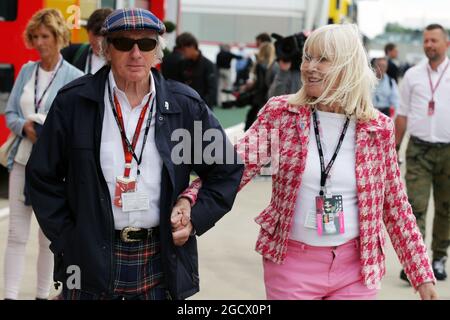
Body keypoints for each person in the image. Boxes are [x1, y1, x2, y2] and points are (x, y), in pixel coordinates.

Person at [178, 24, 438, 300]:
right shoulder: (282, 113)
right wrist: (189, 203)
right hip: (291, 265)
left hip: (356, 270)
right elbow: (233, 168)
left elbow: (395, 205)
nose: (310, 67)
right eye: (307, 57)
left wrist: (422, 276)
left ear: (347, 66)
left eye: (323, 59)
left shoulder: (377, 127)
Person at [25, 8, 243, 300]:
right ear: (106, 49)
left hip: (159, 259)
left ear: (158, 52)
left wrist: (195, 217)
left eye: (147, 43)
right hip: (87, 258)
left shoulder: (184, 107)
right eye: (124, 43)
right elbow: (42, 177)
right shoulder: (74, 103)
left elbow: (224, 170)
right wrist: (69, 238)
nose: (136, 53)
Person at [3, 8, 83, 300]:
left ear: (59, 37)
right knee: (15, 234)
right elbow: (10, 111)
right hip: (22, 161)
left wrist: (49, 133)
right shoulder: (26, 71)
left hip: (55, 169)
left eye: (45, 36)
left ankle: (41, 294)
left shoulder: (75, 77)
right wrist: (24, 126)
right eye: (35, 36)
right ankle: (9, 296)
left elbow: (77, 125)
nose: (39, 42)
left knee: (49, 235)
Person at [395, 24, 450, 282]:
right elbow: (402, 115)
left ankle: (439, 258)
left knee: (446, 208)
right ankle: (416, 262)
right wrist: (393, 150)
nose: (429, 45)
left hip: (449, 151)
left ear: (446, 44)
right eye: (426, 40)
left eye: (434, 40)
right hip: (419, 150)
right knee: (415, 206)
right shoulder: (413, 76)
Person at [61, 8, 113, 74]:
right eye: (96, 34)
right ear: (88, 32)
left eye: (104, 35)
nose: (99, 41)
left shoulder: (120, 61)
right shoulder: (72, 52)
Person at [177, 32, 217, 108]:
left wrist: (201, 107)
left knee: (198, 121)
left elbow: (212, 91)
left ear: (192, 46)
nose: (182, 52)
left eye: (183, 49)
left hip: (202, 109)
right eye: (180, 50)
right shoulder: (182, 64)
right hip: (186, 107)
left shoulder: (208, 65)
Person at [241, 42, 276, 130]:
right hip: (270, 97)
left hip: (260, 98)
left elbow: (260, 84)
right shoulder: (274, 65)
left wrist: (249, 89)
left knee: (252, 123)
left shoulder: (260, 65)